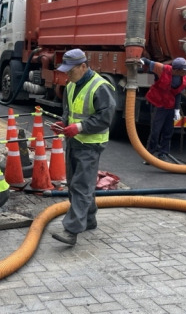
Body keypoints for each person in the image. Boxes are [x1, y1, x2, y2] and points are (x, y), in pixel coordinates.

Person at [49, 48, 116, 246]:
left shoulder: (100, 86)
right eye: (66, 70)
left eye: (71, 70)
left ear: (83, 66)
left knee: (80, 186)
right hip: (74, 142)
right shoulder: (71, 85)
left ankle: (71, 230)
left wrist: (79, 127)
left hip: (91, 144)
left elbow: (106, 117)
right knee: (77, 184)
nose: (67, 73)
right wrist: (63, 123)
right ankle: (89, 219)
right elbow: (69, 112)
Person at [141, 56, 186, 162]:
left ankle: (163, 153)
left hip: (170, 105)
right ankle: (149, 155)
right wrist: (141, 61)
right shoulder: (163, 69)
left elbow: (178, 94)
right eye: (185, 70)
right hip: (158, 104)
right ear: (176, 70)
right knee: (155, 131)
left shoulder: (185, 79)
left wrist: (176, 110)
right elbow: (147, 61)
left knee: (168, 131)